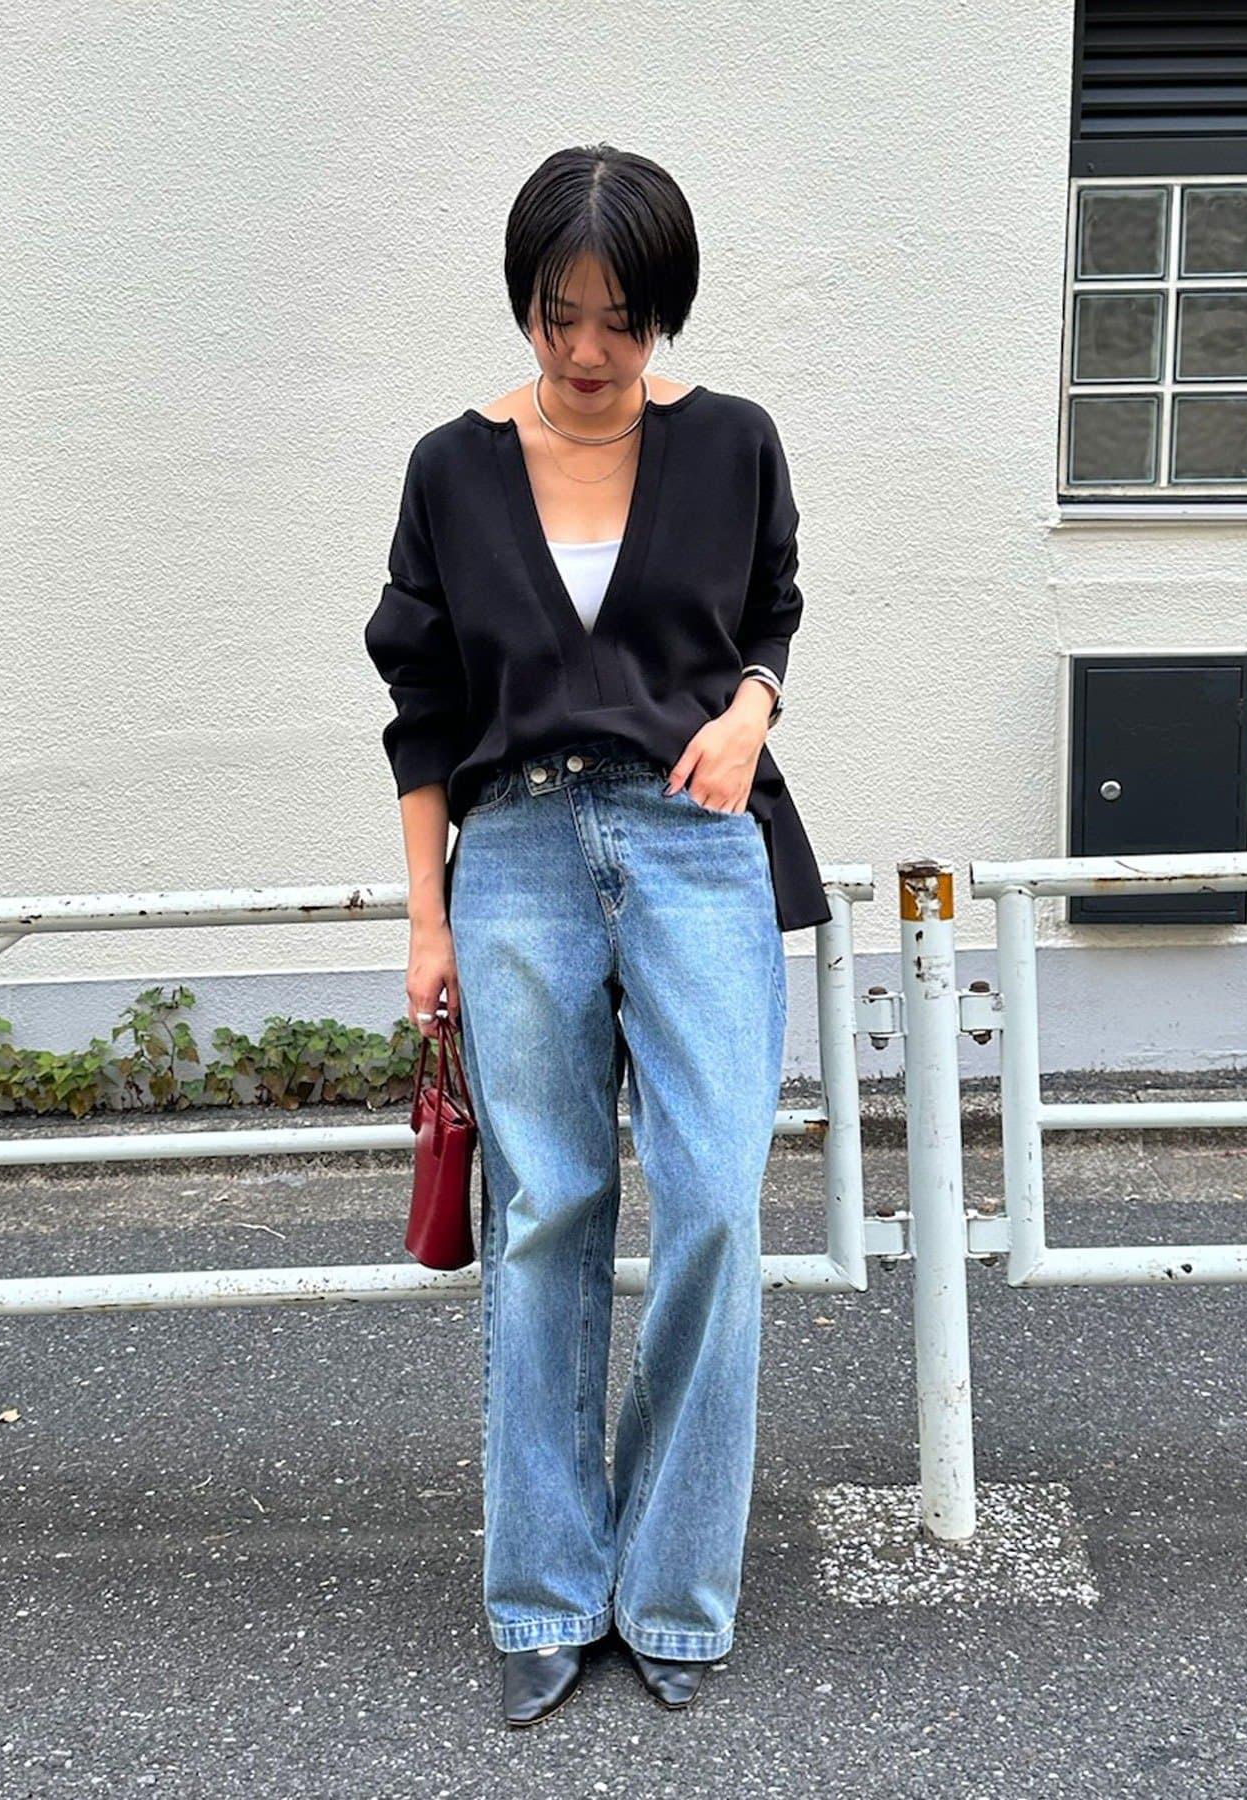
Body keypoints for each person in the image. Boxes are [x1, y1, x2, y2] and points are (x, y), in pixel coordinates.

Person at [364, 142, 830, 1729]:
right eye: (556, 314)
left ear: (664, 310)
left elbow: (771, 611)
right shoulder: (451, 467)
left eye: (618, 318)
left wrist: (751, 712)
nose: (584, 350)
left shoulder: (733, 444)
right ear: (524, 304)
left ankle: (676, 1588)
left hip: (695, 844)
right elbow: (422, 706)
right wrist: (426, 916)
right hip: (513, 856)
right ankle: (547, 1592)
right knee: (547, 1213)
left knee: (712, 1203)